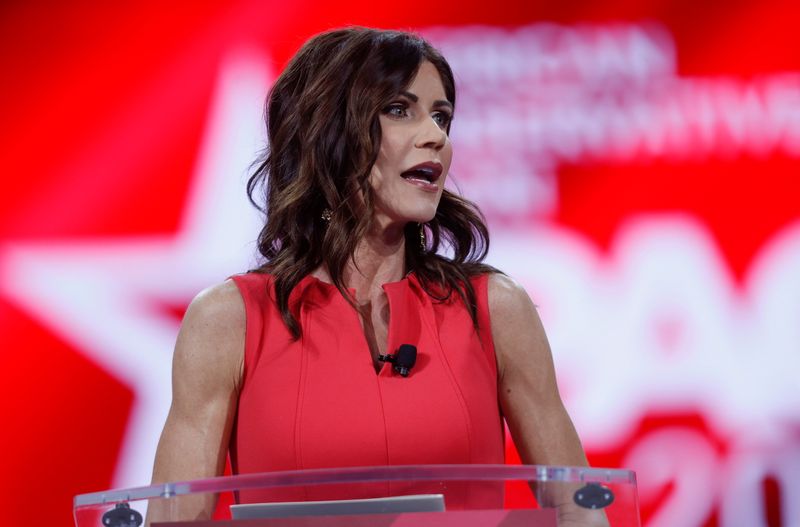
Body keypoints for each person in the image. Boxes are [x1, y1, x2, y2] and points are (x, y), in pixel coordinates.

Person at [149, 26, 589, 521]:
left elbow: (582, 509)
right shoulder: (230, 320)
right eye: (400, 110)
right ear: (330, 130)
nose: (436, 137)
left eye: (441, 116)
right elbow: (173, 520)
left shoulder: (494, 308)